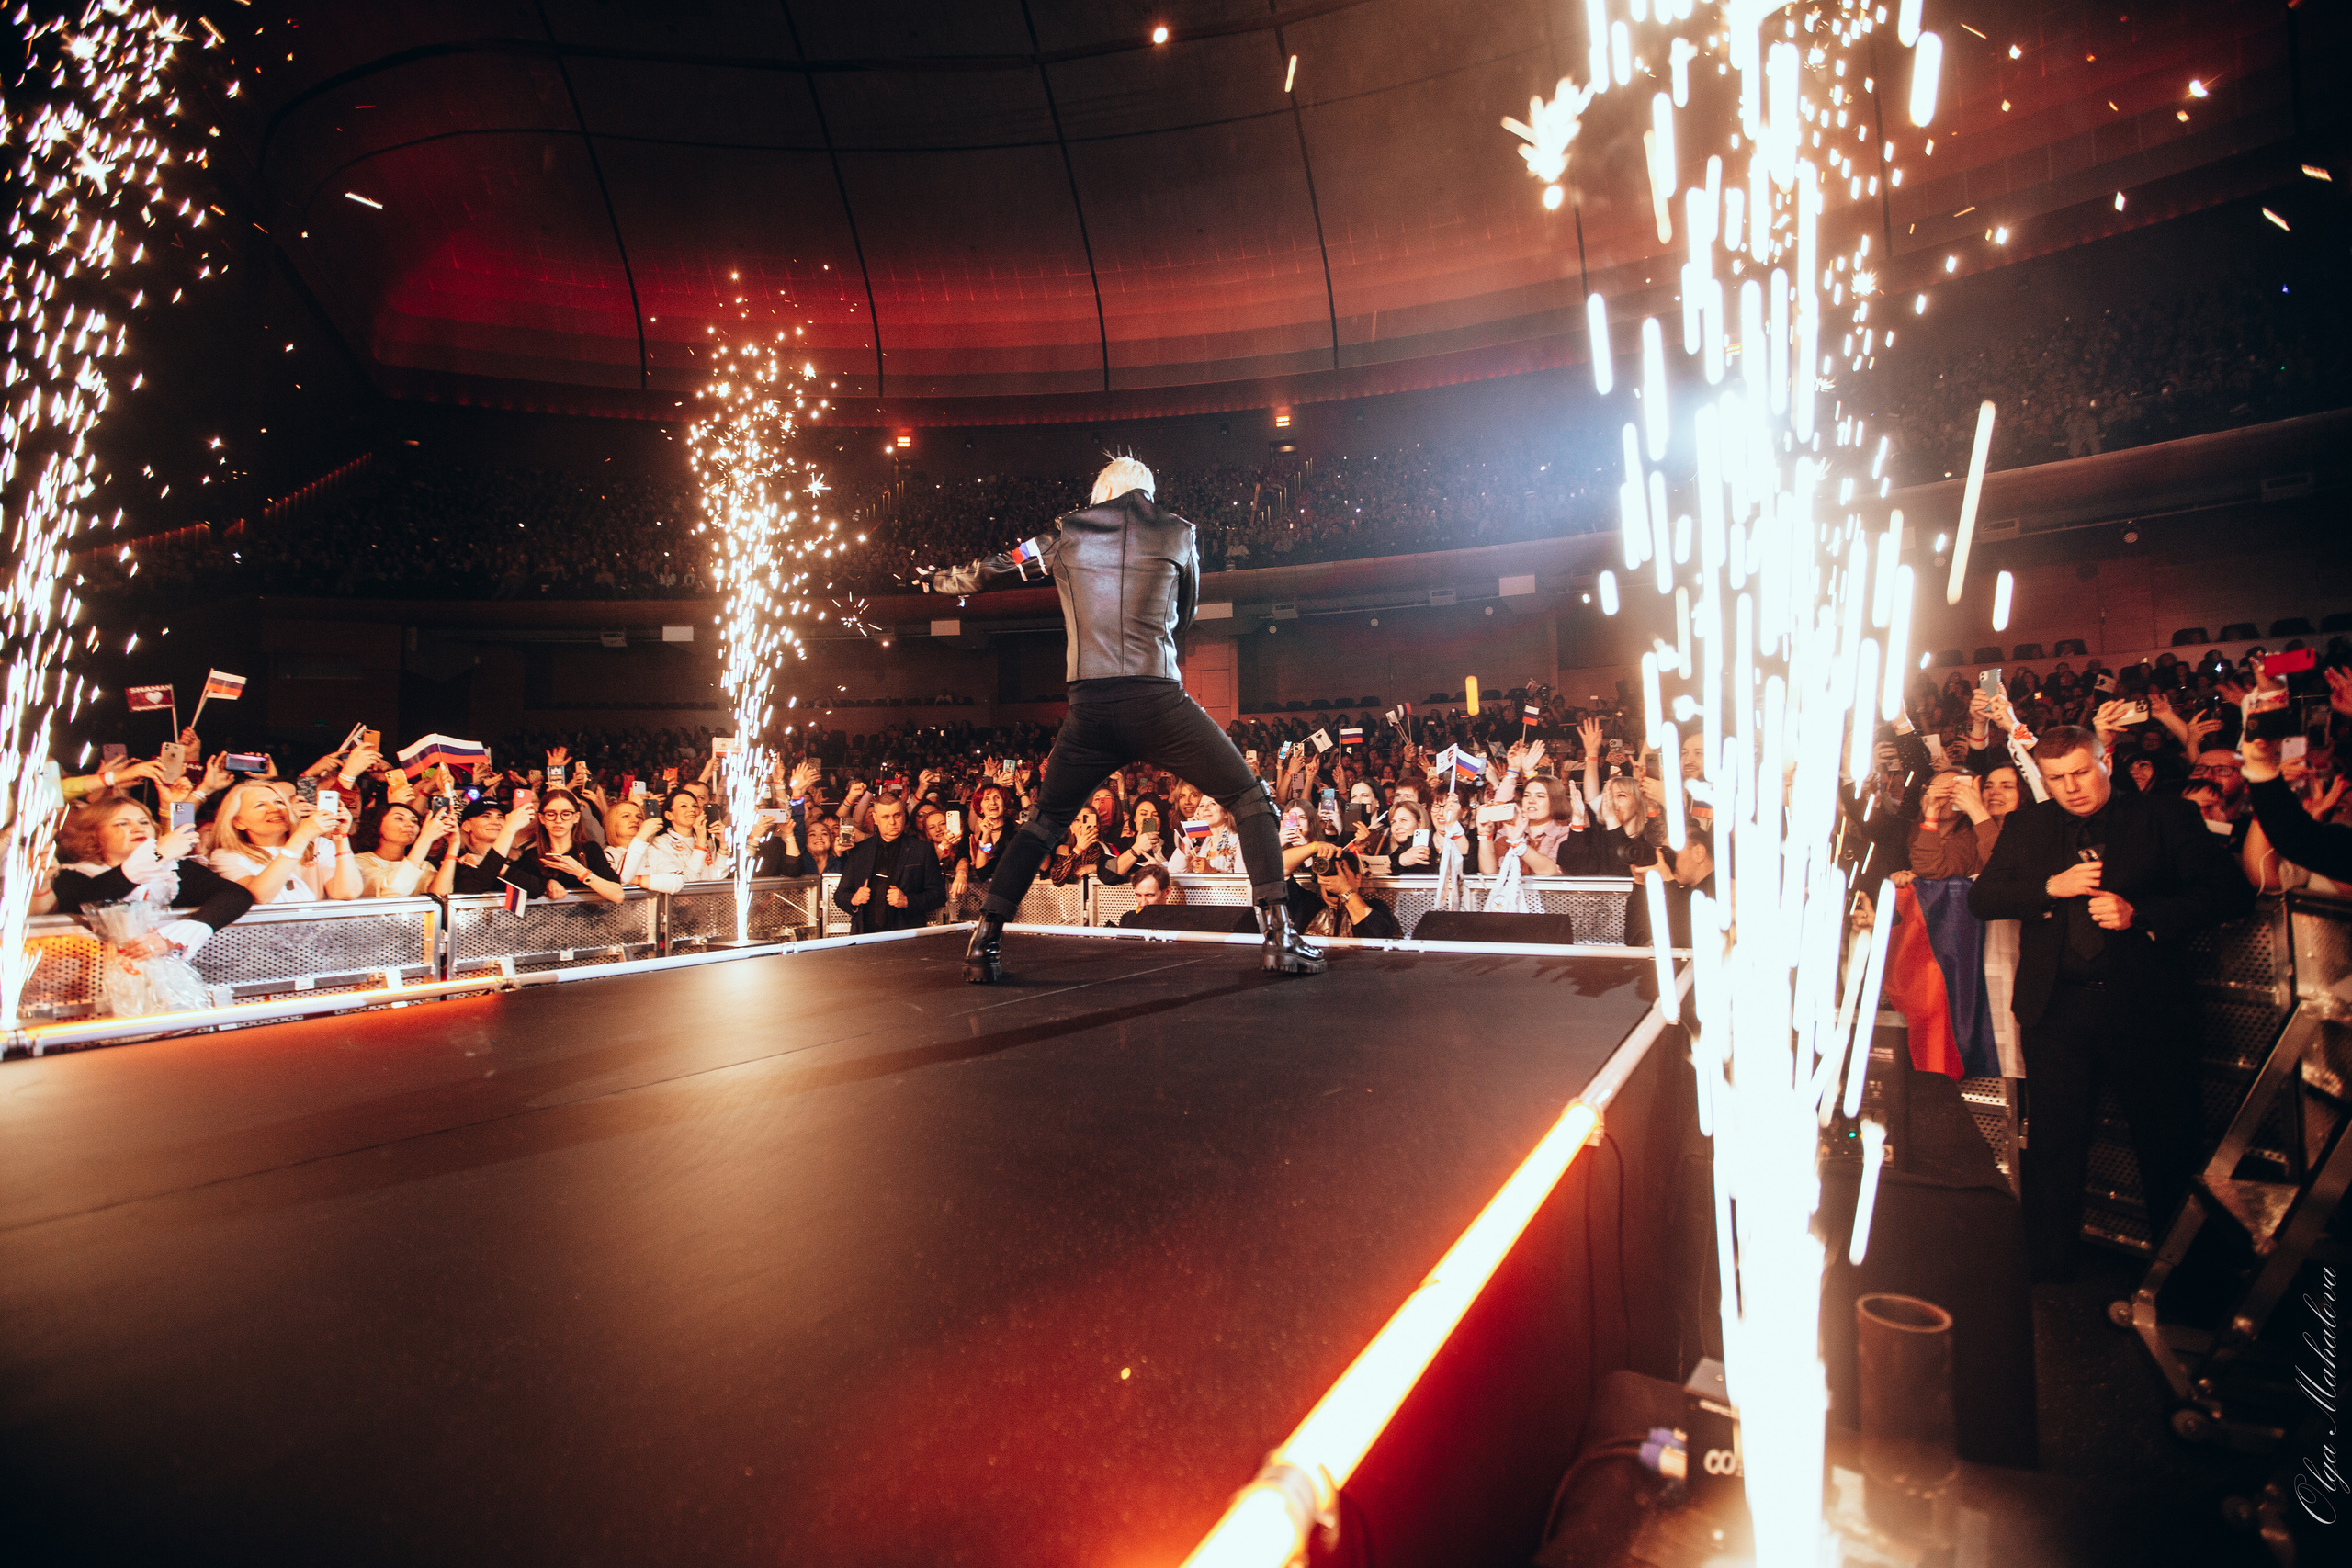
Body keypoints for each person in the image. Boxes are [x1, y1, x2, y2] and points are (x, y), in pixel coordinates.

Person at [930, 456, 1320, 979]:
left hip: (1089, 705)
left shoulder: (1065, 531)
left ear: (1102, 490)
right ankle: (1279, 937)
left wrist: (947, 580)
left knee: (1043, 825)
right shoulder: (1180, 532)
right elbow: (1188, 609)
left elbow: (1001, 564)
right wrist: (1161, 653)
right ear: (1148, 492)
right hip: (1157, 696)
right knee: (1251, 799)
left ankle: (985, 943)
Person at [1967, 725, 2254, 1280]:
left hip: (2145, 1010)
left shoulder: (2164, 816)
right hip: (2056, 1011)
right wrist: (2052, 888)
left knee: (2168, 1147)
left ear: (2106, 759)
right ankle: (2047, 1273)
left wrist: (2140, 915)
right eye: (2056, 779)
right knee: (2053, 1145)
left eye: (2080, 772)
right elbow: (1984, 897)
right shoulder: (2028, 825)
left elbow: (2230, 893)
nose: (2071, 788)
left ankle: (2185, 1282)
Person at [50, 796, 254, 959]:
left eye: (144, 822)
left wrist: (184, 931)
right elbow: (85, 900)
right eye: (122, 823)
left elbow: (236, 894)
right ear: (94, 835)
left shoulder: (174, 869)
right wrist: (158, 855)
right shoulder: (73, 874)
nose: (138, 828)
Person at [209, 781, 363, 903]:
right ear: (238, 822)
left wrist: (340, 837)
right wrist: (301, 837)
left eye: (279, 802)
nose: (274, 809)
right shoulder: (226, 856)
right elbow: (260, 896)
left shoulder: (319, 846)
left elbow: (347, 892)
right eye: (260, 805)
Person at [830, 795, 945, 934]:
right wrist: (853, 899)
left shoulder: (923, 850)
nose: (892, 822)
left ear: (904, 815)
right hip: (865, 937)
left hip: (906, 937)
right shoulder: (859, 850)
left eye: (897, 815)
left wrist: (907, 901)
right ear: (875, 818)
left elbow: (938, 894)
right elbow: (840, 895)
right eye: (886, 816)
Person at [521, 788, 628, 903]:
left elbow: (618, 895)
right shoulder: (532, 855)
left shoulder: (590, 850)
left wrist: (579, 871)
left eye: (566, 814)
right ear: (542, 818)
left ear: (576, 817)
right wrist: (547, 883)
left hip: (590, 918)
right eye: (551, 814)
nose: (558, 820)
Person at [350, 798, 459, 898]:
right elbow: (394, 889)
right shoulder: (358, 862)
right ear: (377, 825)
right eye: (399, 818)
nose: (410, 824)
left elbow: (440, 894)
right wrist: (426, 838)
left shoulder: (423, 865)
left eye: (414, 821)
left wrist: (454, 845)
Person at [621, 787, 724, 890]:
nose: (692, 809)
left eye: (695, 806)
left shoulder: (707, 840)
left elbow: (718, 876)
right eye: (683, 806)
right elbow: (684, 881)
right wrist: (700, 843)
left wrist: (723, 845)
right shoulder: (661, 842)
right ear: (669, 815)